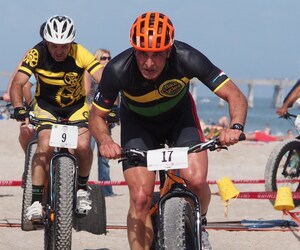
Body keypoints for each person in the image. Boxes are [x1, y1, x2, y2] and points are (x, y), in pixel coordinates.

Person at [89, 12, 247, 249]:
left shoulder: (188, 57)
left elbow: (235, 95)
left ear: (169, 51)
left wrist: (235, 127)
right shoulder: (117, 69)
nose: (149, 63)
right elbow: (96, 116)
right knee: (140, 198)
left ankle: (199, 221)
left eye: (157, 55)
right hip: (138, 126)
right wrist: (105, 141)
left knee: (194, 180)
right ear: (134, 49)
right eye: (142, 53)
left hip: (180, 121)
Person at [10, 15, 103, 221]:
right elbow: (18, 82)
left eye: (64, 46)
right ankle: (35, 202)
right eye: (54, 46)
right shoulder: (37, 53)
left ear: (71, 42)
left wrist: (110, 106)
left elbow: (104, 80)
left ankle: (81, 189)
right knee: (44, 145)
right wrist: (18, 107)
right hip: (46, 106)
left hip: (76, 106)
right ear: (46, 42)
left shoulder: (80, 52)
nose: (59, 51)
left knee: (83, 145)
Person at [4, 22, 46, 153]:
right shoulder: (35, 52)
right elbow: (19, 74)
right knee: (26, 131)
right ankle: (29, 164)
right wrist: (9, 92)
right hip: (38, 103)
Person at [84, 48, 116, 196]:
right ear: (97, 59)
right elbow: (85, 94)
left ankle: (106, 190)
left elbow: (116, 96)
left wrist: (113, 112)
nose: (107, 61)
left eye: (109, 58)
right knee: (86, 153)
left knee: (105, 157)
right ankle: (82, 187)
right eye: (103, 58)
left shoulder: (111, 75)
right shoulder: (89, 73)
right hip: (89, 117)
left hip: (105, 118)